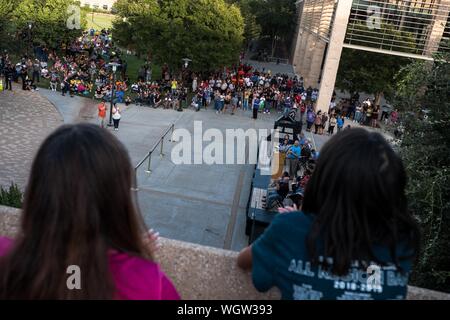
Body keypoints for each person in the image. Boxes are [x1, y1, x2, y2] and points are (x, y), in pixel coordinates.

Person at [0, 124, 180, 299]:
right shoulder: (148, 284)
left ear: (37, 191)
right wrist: (131, 259)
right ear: (118, 199)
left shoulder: (6, 258)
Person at [237, 129, 420, 300]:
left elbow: (245, 262)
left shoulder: (290, 228)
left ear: (324, 179)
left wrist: (295, 223)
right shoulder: (402, 242)